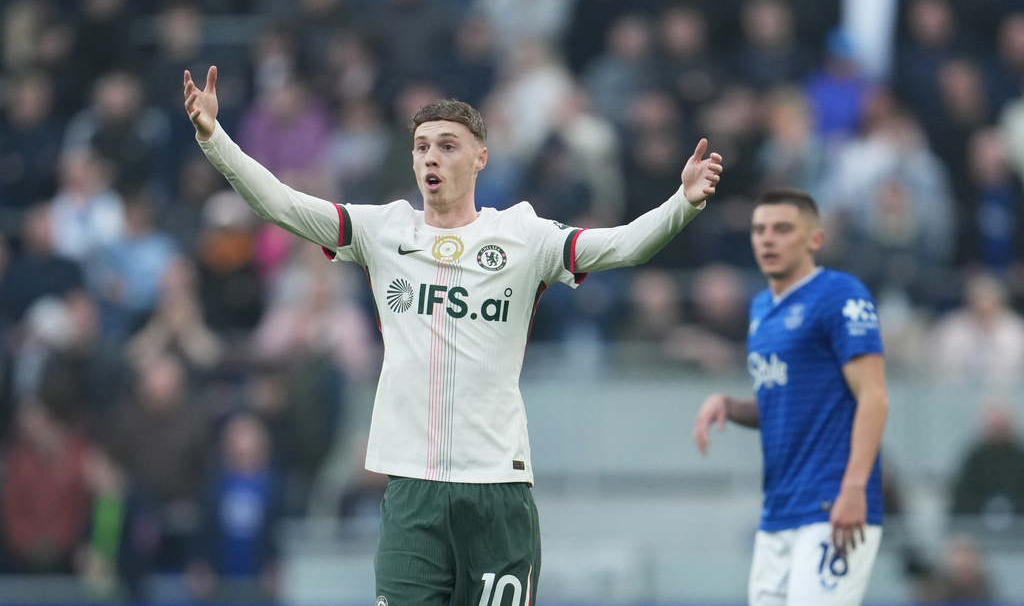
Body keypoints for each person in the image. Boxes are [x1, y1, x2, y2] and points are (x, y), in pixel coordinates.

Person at [183, 64, 722, 606]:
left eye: (447, 146)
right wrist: (214, 137)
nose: (431, 158)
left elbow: (623, 246)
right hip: (411, 488)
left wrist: (683, 203)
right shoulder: (383, 230)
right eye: (421, 147)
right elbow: (281, 203)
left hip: (497, 488)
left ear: (480, 157)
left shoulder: (523, 235)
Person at [693, 188, 889, 606]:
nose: (767, 239)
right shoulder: (760, 309)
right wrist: (730, 406)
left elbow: (874, 396)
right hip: (779, 509)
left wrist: (854, 487)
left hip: (831, 504)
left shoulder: (841, 295)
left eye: (782, 229)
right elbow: (781, 405)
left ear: (815, 239)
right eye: (759, 230)